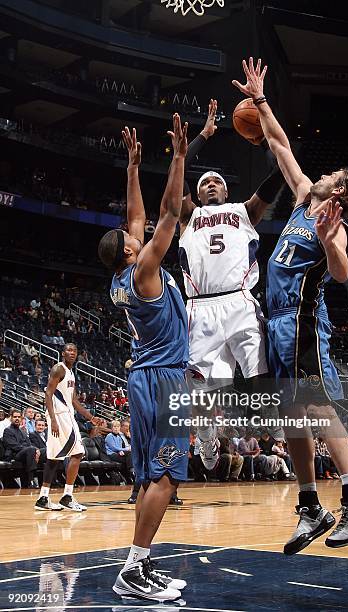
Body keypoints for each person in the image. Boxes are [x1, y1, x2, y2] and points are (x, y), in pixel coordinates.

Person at [233, 57, 348, 553]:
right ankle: (310, 505)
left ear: (337, 189)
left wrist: (330, 242)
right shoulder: (301, 196)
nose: (323, 171)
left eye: (333, 171)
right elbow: (278, 143)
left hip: (299, 320)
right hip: (275, 321)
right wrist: (259, 98)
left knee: (314, 405)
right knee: (292, 413)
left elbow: (340, 273)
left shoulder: (331, 221)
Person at [98, 117, 189, 602]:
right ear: (130, 253)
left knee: (155, 476)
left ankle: (142, 564)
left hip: (145, 377)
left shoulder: (123, 276)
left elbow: (136, 217)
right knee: (169, 475)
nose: (138, 233)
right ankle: (132, 570)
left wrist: (132, 168)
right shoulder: (146, 269)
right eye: (134, 239)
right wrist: (177, 157)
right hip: (164, 381)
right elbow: (169, 212)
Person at [178, 99, 281, 469]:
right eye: (204, 182)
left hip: (239, 302)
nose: (208, 185)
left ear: (225, 191)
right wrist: (203, 136)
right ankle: (206, 440)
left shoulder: (244, 211)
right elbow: (178, 170)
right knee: (205, 394)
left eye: (215, 182)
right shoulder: (188, 215)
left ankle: (270, 423)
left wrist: (265, 139)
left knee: (258, 376)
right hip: (200, 307)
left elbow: (277, 178)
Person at [34, 343, 102, 512]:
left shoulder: (71, 373)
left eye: (74, 350)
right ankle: (67, 496)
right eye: (68, 350)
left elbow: (73, 400)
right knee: (78, 453)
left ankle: (43, 498)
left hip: (66, 414)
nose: (72, 353)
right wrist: (53, 419)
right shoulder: (59, 368)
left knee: (54, 457)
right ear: (63, 353)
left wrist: (91, 417)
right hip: (60, 415)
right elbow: (48, 393)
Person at [3, 409, 41, 487]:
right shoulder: (7, 430)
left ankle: (49, 482)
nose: (17, 418)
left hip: (27, 453)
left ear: (21, 418)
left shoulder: (23, 431)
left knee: (45, 451)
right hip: (14, 454)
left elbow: (29, 443)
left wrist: (36, 450)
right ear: (11, 418)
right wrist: (31, 450)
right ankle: (31, 480)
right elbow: (13, 446)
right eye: (15, 417)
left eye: (18, 417)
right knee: (30, 450)